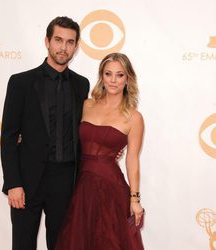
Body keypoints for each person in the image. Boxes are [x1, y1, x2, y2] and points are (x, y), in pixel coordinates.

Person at [0, 16, 90, 250]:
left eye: (70, 42)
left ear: (76, 46)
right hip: (27, 181)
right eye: (58, 40)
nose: (63, 47)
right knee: (23, 244)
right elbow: (9, 136)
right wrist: (13, 183)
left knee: (61, 245)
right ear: (47, 41)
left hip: (65, 180)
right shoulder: (21, 82)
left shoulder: (82, 85)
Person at [55, 52, 145, 250]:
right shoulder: (87, 105)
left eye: (120, 75)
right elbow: (65, 135)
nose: (113, 80)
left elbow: (132, 159)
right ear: (101, 76)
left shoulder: (134, 117)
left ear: (128, 78)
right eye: (108, 74)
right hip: (81, 186)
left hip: (111, 187)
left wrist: (135, 199)